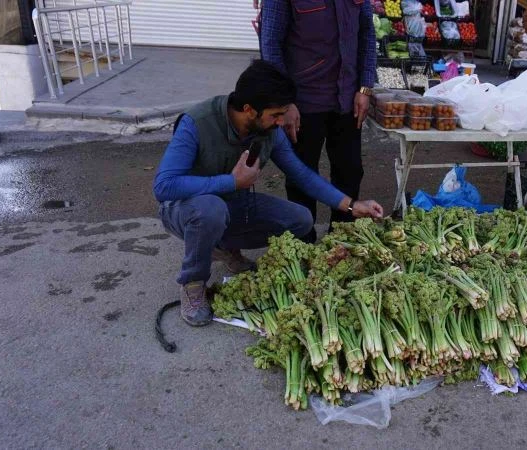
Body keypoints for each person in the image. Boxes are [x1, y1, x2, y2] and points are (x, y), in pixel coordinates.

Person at [153, 60, 384, 327]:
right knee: (210, 210)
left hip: (231, 206)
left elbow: (302, 174)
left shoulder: (268, 130)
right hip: (185, 210)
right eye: (276, 114)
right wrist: (230, 182)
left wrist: (353, 206)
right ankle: (193, 282)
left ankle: (224, 248)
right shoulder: (197, 122)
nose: (281, 121)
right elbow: (164, 187)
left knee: (301, 219)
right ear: (249, 110)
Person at [260, 0, 376, 241]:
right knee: (301, 174)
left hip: (347, 100)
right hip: (303, 103)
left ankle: (341, 240)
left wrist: (365, 87)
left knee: (350, 171)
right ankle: (304, 242)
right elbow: (270, 45)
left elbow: (367, 34)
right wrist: (285, 102)